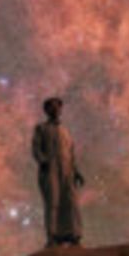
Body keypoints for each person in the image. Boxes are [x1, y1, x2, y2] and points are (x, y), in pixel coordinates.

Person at [31, 96, 84, 247]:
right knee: (53, 202)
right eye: (51, 107)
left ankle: (74, 236)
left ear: (61, 109)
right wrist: (43, 161)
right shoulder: (41, 129)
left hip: (67, 172)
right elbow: (36, 148)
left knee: (71, 202)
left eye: (57, 107)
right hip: (50, 170)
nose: (55, 109)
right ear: (46, 110)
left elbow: (71, 154)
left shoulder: (65, 131)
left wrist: (76, 172)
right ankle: (53, 237)